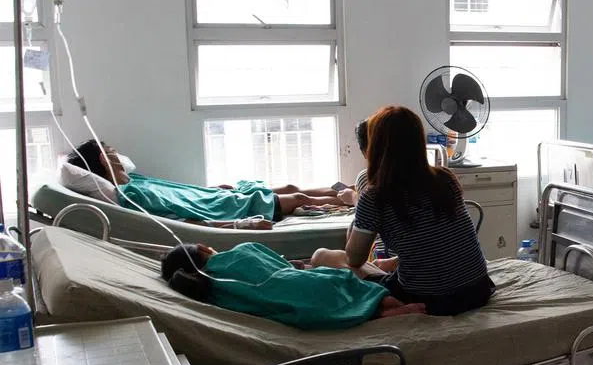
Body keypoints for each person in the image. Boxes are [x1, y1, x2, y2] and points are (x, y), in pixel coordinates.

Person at [315, 106, 494, 316]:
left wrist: (358, 220)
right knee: (379, 268)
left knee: (323, 256)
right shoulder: (445, 179)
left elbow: (354, 259)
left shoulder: (375, 197)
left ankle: (387, 304)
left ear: (375, 147)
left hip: (426, 298)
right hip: (478, 291)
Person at [67, 139, 354, 229]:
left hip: (215, 197)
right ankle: (349, 202)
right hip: (222, 210)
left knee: (291, 188)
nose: (117, 154)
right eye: (111, 151)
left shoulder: (135, 179)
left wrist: (211, 190)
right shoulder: (130, 194)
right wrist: (233, 222)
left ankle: (342, 190)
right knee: (299, 198)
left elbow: (181, 193)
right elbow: (178, 216)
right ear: (103, 161)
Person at [160, 242, 425, 329]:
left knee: (338, 303)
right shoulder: (242, 250)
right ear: (207, 248)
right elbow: (284, 269)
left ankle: (382, 314)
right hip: (306, 284)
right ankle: (390, 305)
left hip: (298, 310)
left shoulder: (210, 292)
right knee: (348, 282)